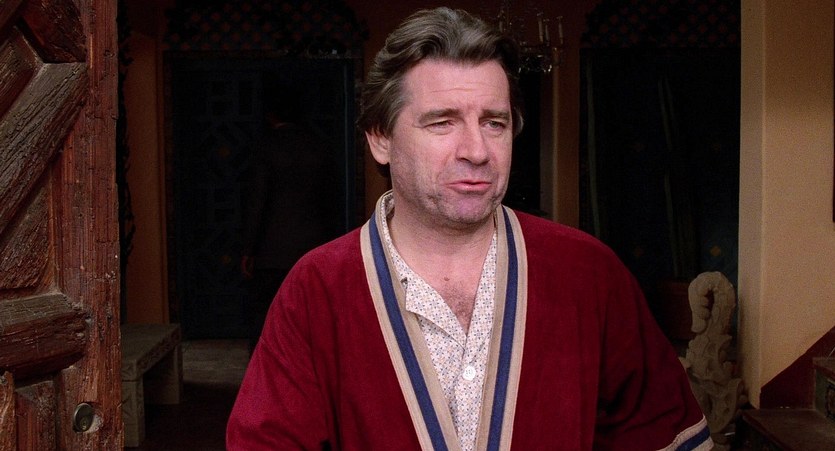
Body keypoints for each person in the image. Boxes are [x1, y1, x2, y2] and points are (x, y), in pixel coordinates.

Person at [227, 7, 712, 450]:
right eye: (443, 122)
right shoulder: (317, 290)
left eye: (495, 123)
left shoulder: (587, 273)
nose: (477, 151)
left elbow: (664, 433)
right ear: (380, 139)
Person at [240, 90, 339, 354]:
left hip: (271, 251)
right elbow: (331, 201)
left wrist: (249, 248)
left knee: (264, 315)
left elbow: (257, 201)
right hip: (313, 246)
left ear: (270, 116)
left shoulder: (266, 147)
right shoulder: (319, 146)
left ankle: (263, 367)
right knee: (311, 314)